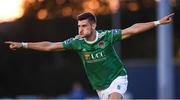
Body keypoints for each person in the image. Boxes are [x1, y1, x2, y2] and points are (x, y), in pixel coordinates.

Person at [5, 12, 174, 99]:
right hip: (100, 87)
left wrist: (158, 22)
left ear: (93, 25)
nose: (80, 29)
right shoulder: (77, 42)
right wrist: (23, 45)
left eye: (84, 26)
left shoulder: (107, 36)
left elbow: (132, 29)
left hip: (117, 77)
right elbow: (50, 46)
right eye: (79, 26)